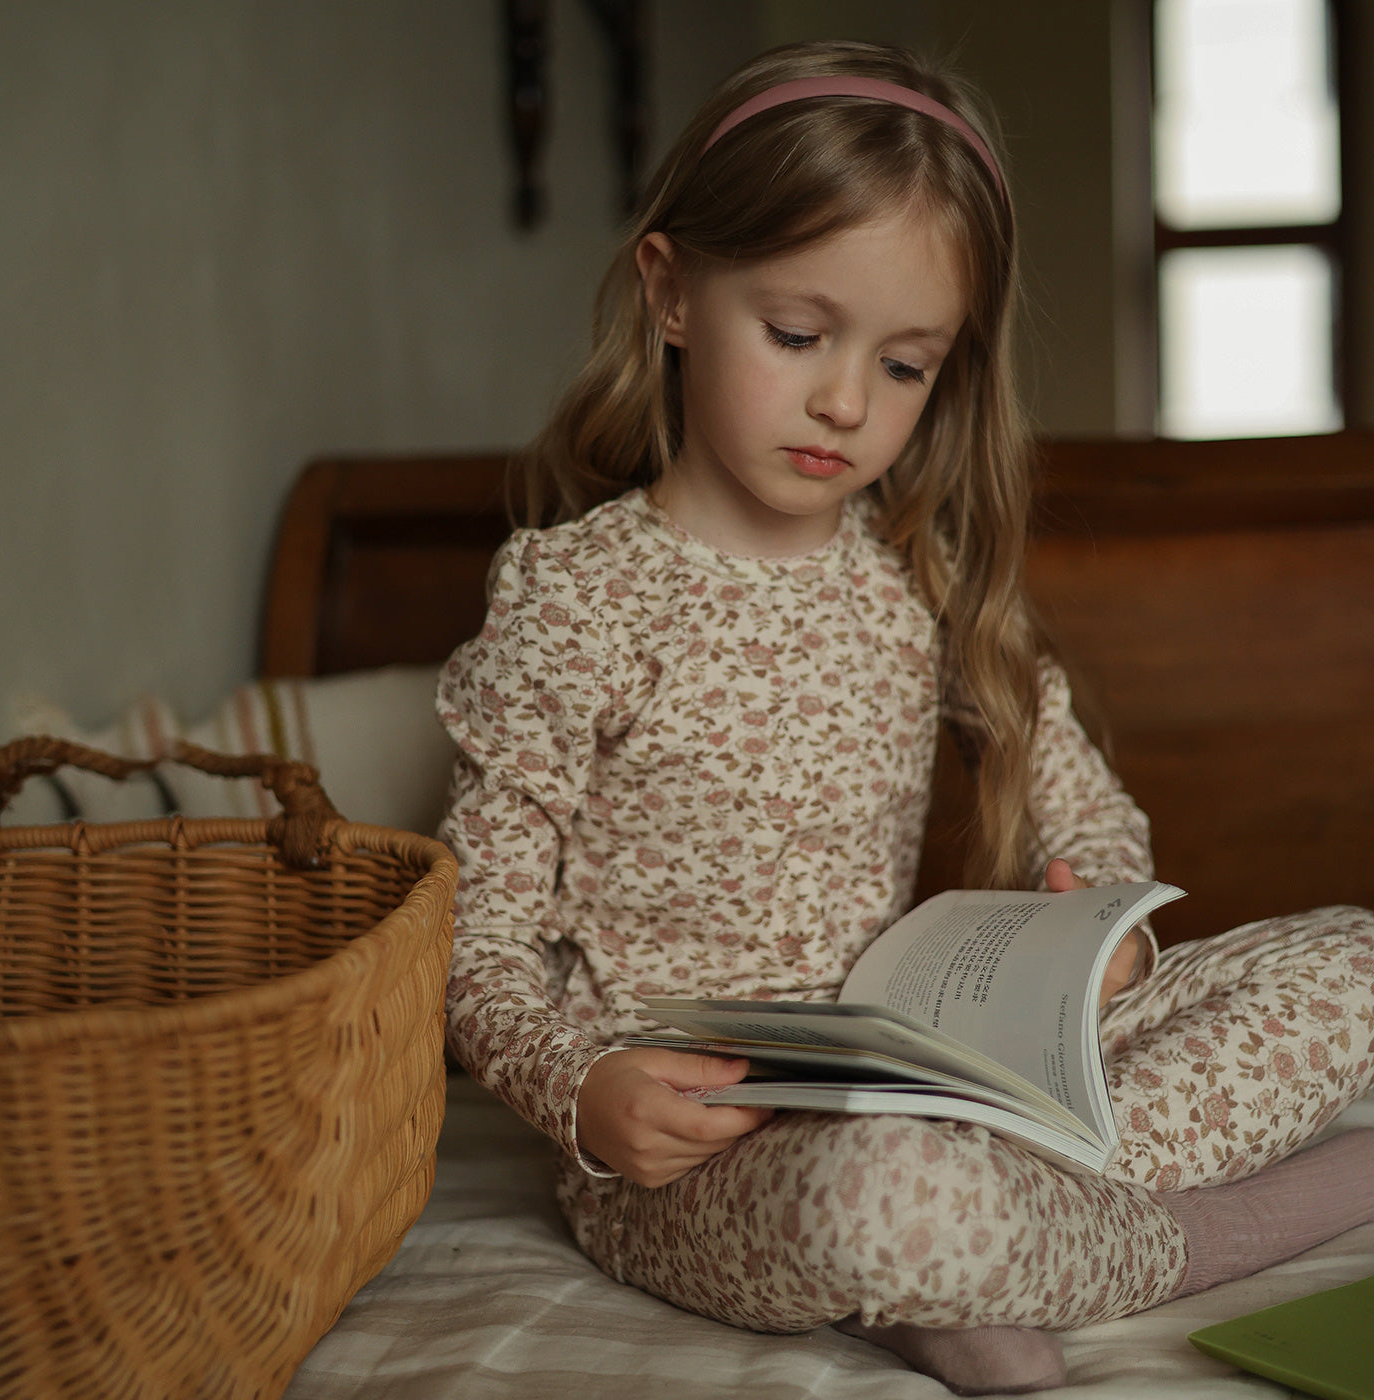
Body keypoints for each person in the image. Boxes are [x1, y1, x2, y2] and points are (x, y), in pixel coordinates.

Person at [437, 39, 1374, 1396]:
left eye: (906, 366)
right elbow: (474, 937)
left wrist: (1095, 933)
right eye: (801, 335)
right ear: (673, 289)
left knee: (1354, 961)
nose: (844, 403)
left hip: (937, 1079)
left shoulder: (916, 575)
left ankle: (978, 1250)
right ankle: (1175, 1239)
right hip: (701, 1147)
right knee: (881, 1191)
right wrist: (583, 1092)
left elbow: (1094, 816)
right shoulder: (577, 597)